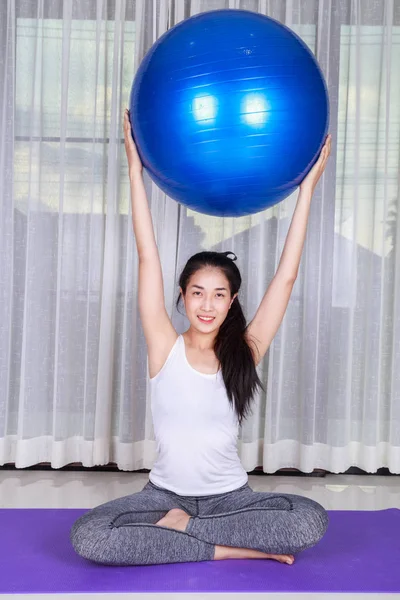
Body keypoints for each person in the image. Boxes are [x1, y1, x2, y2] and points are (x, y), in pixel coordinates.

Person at [69, 110, 332, 567]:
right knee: (89, 537)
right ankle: (229, 550)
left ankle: (186, 532)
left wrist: (306, 189)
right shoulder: (163, 346)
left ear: (232, 302)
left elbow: (286, 279)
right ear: (182, 297)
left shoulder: (246, 351)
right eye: (197, 293)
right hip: (161, 496)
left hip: (231, 499)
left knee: (308, 519)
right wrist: (134, 168)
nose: (207, 305)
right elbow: (147, 255)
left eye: (218, 295)